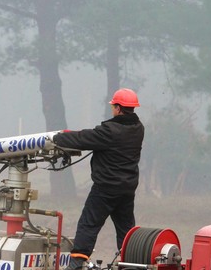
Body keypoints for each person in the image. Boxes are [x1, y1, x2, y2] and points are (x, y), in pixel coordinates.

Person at [52, 88, 144, 270]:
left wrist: (59, 138)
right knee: (126, 229)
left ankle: (76, 263)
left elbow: (83, 138)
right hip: (127, 189)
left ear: (118, 108)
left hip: (106, 188)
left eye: (113, 106)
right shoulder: (139, 128)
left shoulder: (110, 131)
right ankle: (131, 264)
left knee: (89, 223)